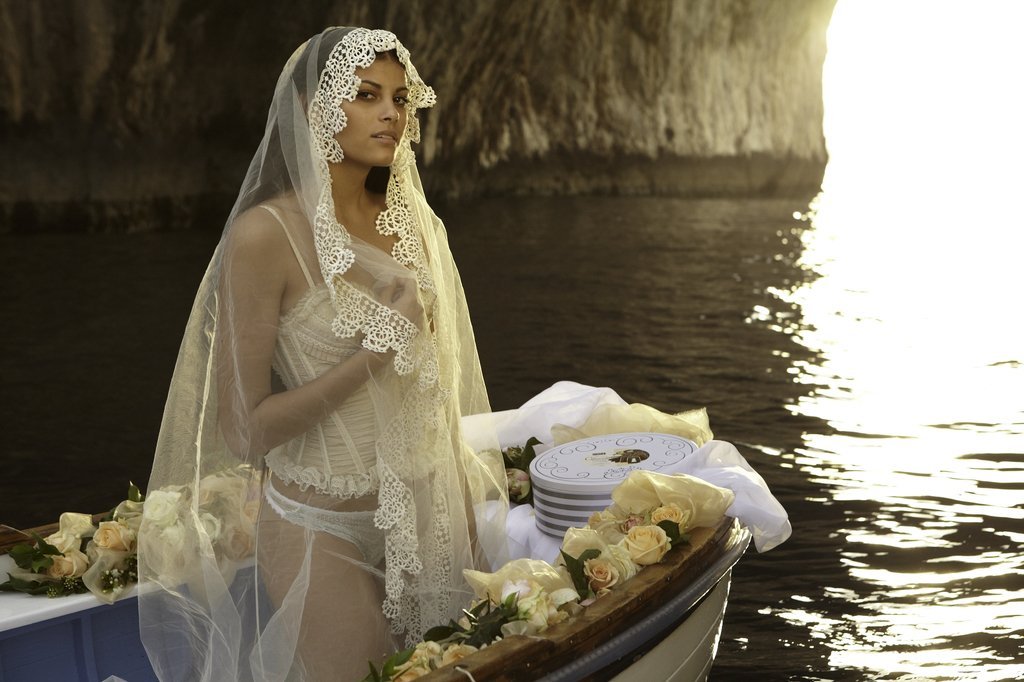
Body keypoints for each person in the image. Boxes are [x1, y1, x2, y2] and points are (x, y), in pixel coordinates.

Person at [138, 27, 508, 682]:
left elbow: (435, 395)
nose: (391, 113)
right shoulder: (265, 236)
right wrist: (371, 354)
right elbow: (245, 429)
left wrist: (468, 539)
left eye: (399, 98)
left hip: (428, 511)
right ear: (314, 109)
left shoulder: (416, 226)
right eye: (367, 95)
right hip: (318, 527)